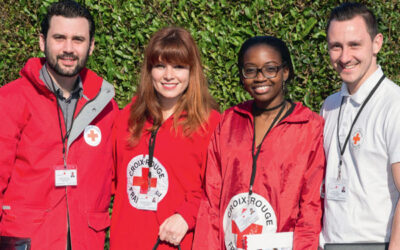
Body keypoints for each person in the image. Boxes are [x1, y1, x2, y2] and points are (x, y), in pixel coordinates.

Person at [0, 1, 118, 249]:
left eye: (78, 39)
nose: (68, 49)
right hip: (27, 240)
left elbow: (116, 178)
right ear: (42, 42)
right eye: (59, 38)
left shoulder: (105, 106)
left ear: (92, 46)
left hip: (85, 241)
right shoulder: (10, 99)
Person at [193, 36, 325, 250]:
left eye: (270, 69)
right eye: (251, 70)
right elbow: (211, 199)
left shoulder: (310, 127)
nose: (260, 78)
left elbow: (310, 208)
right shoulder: (228, 122)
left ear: (285, 72)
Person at [110, 27, 220, 249]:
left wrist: (187, 216)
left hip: (179, 243)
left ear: (192, 71)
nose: (169, 75)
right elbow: (108, 180)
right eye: (160, 66)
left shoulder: (210, 124)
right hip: (127, 242)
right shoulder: (127, 118)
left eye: (179, 67)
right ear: (150, 71)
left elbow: (218, 190)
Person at [320, 2, 400, 249]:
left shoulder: (394, 104)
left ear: (377, 43)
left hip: (376, 243)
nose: (345, 57)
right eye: (336, 47)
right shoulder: (329, 106)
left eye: (354, 44)